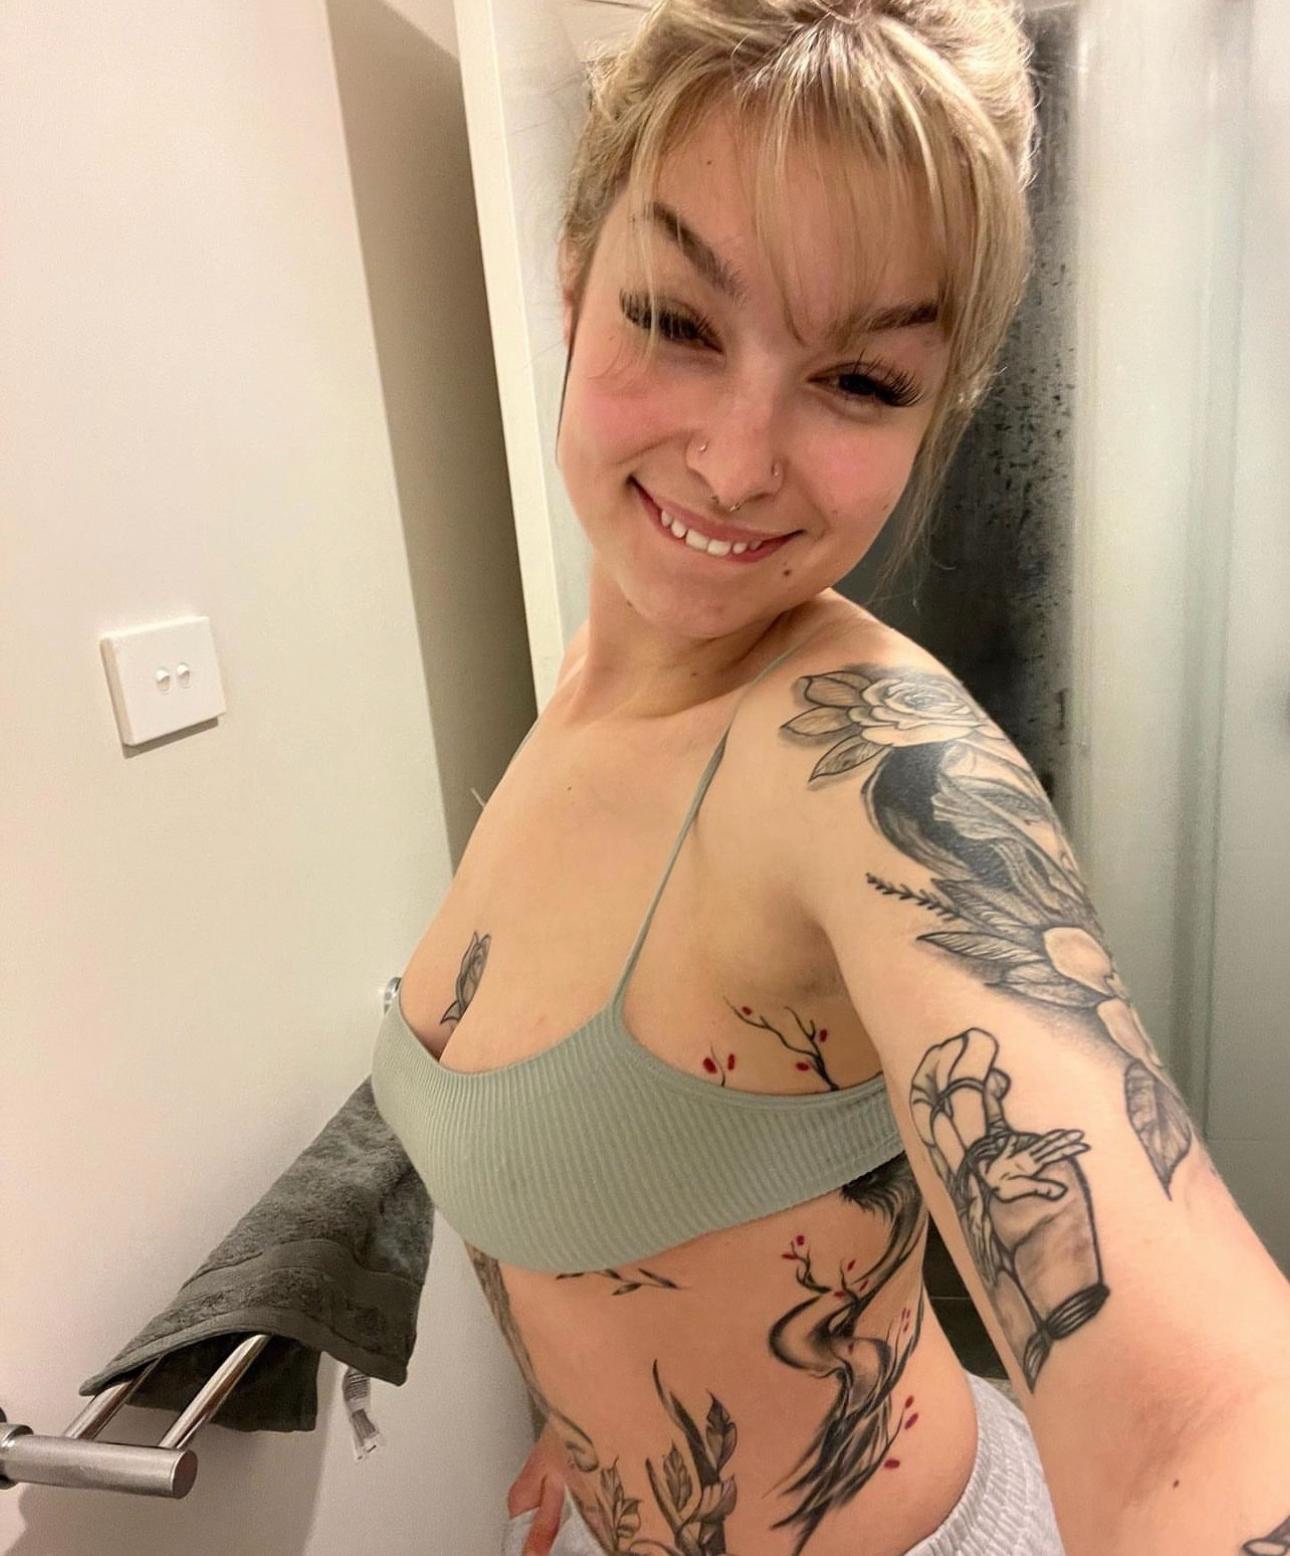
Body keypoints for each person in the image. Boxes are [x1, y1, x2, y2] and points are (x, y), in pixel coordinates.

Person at [372, 2, 1290, 1553]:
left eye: (859, 380)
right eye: (675, 320)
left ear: (938, 411)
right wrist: (591, 1410)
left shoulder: (872, 763)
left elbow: (1205, 1426)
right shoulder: (593, 688)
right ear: (573, 280)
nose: (737, 463)